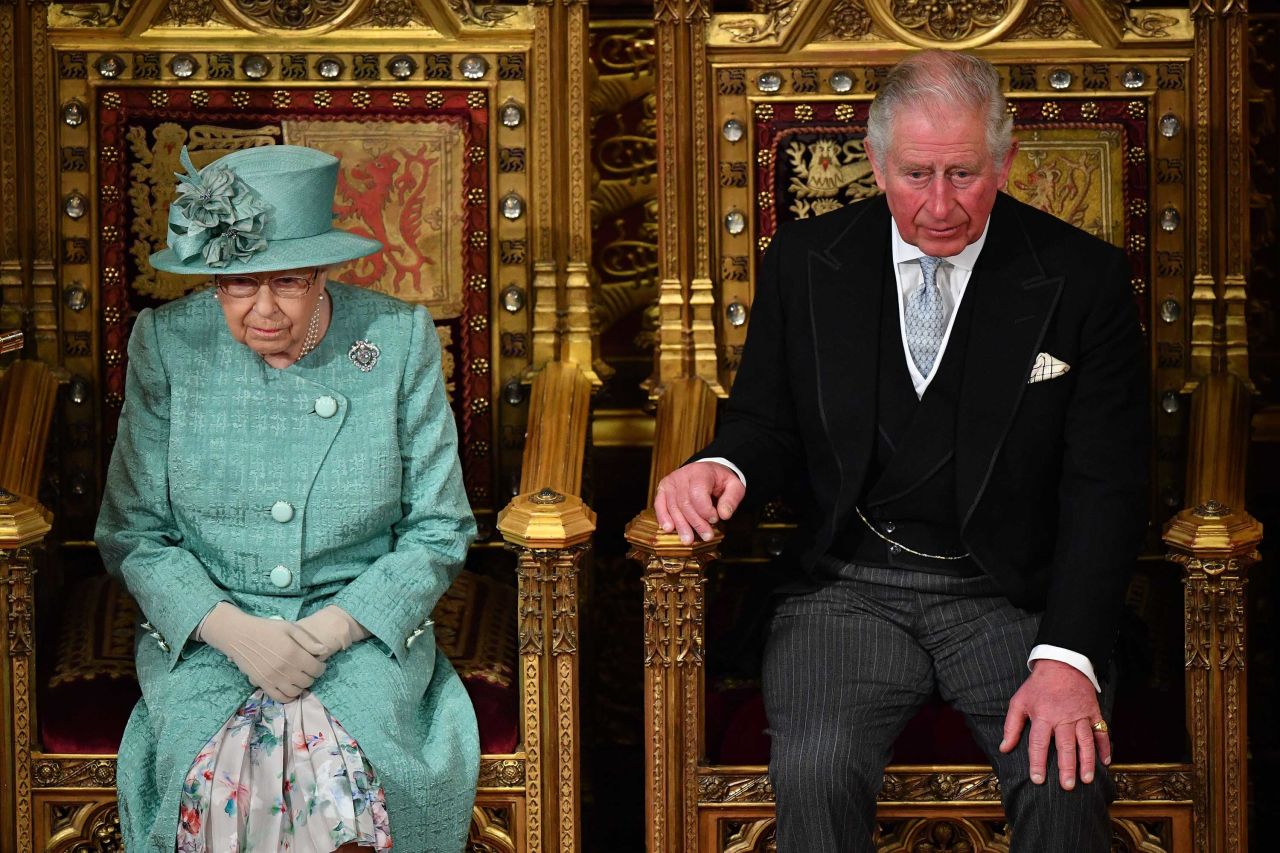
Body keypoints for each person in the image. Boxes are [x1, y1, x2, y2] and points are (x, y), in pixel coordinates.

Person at [654, 51, 1147, 852]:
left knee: (1063, 774)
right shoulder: (806, 263)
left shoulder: (1081, 278)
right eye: (917, 174)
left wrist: (1069, 657)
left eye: (965, 173)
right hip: (848, 588)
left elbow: (1108, 485)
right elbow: (767, 424)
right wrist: (724, 465)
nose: (942, 204)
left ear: (1005, 160)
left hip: (1012, 596)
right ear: (877, 164)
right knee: (817, 768)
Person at [97, 144, 479, 852]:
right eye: (239, 285)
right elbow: (134, 532)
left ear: (325, 272)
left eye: (290, 283)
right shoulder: (168, 343)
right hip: (211, 637)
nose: (264, 310)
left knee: (338, 778)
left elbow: (438, 528)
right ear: (214, 279)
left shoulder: (395, 339)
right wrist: (234, 631)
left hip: (355, 635)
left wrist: (327, 631)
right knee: (218, 779)